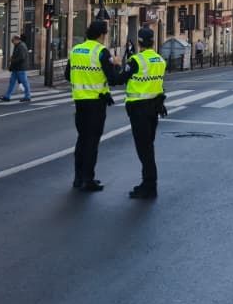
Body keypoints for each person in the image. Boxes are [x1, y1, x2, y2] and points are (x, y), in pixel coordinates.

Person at [69, 19, 121, 192]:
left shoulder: (76, 50)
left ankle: (77, 178)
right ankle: (88, 179)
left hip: (79, 101)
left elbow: (68, 75)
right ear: (101, 35)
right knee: (92, 141)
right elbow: (113, 79)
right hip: (96, 102)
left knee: (82, 139)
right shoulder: (102, 52)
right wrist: (117, 65)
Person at [119, 26, 168, 199]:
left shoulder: (136, 60)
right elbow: (159, 84)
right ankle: (148, 183)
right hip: (154, 108)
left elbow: (119, 79)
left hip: (138, 109)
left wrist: (118, 65)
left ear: (139, 42)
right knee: (148, 146)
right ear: (153, 41)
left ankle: (149, 185)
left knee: (144, 149)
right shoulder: (160, 60)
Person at [1, 33, 33, 102]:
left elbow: (21, 57)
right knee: (12, 82)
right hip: (16, 68)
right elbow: (18, 56)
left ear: (16, 40)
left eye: (13, 41)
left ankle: (27, 96)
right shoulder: (18, 45)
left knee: (24, 82)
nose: (12, 43)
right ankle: (7, 96)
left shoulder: (21, 46)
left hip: (20, 68)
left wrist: (12, 60)